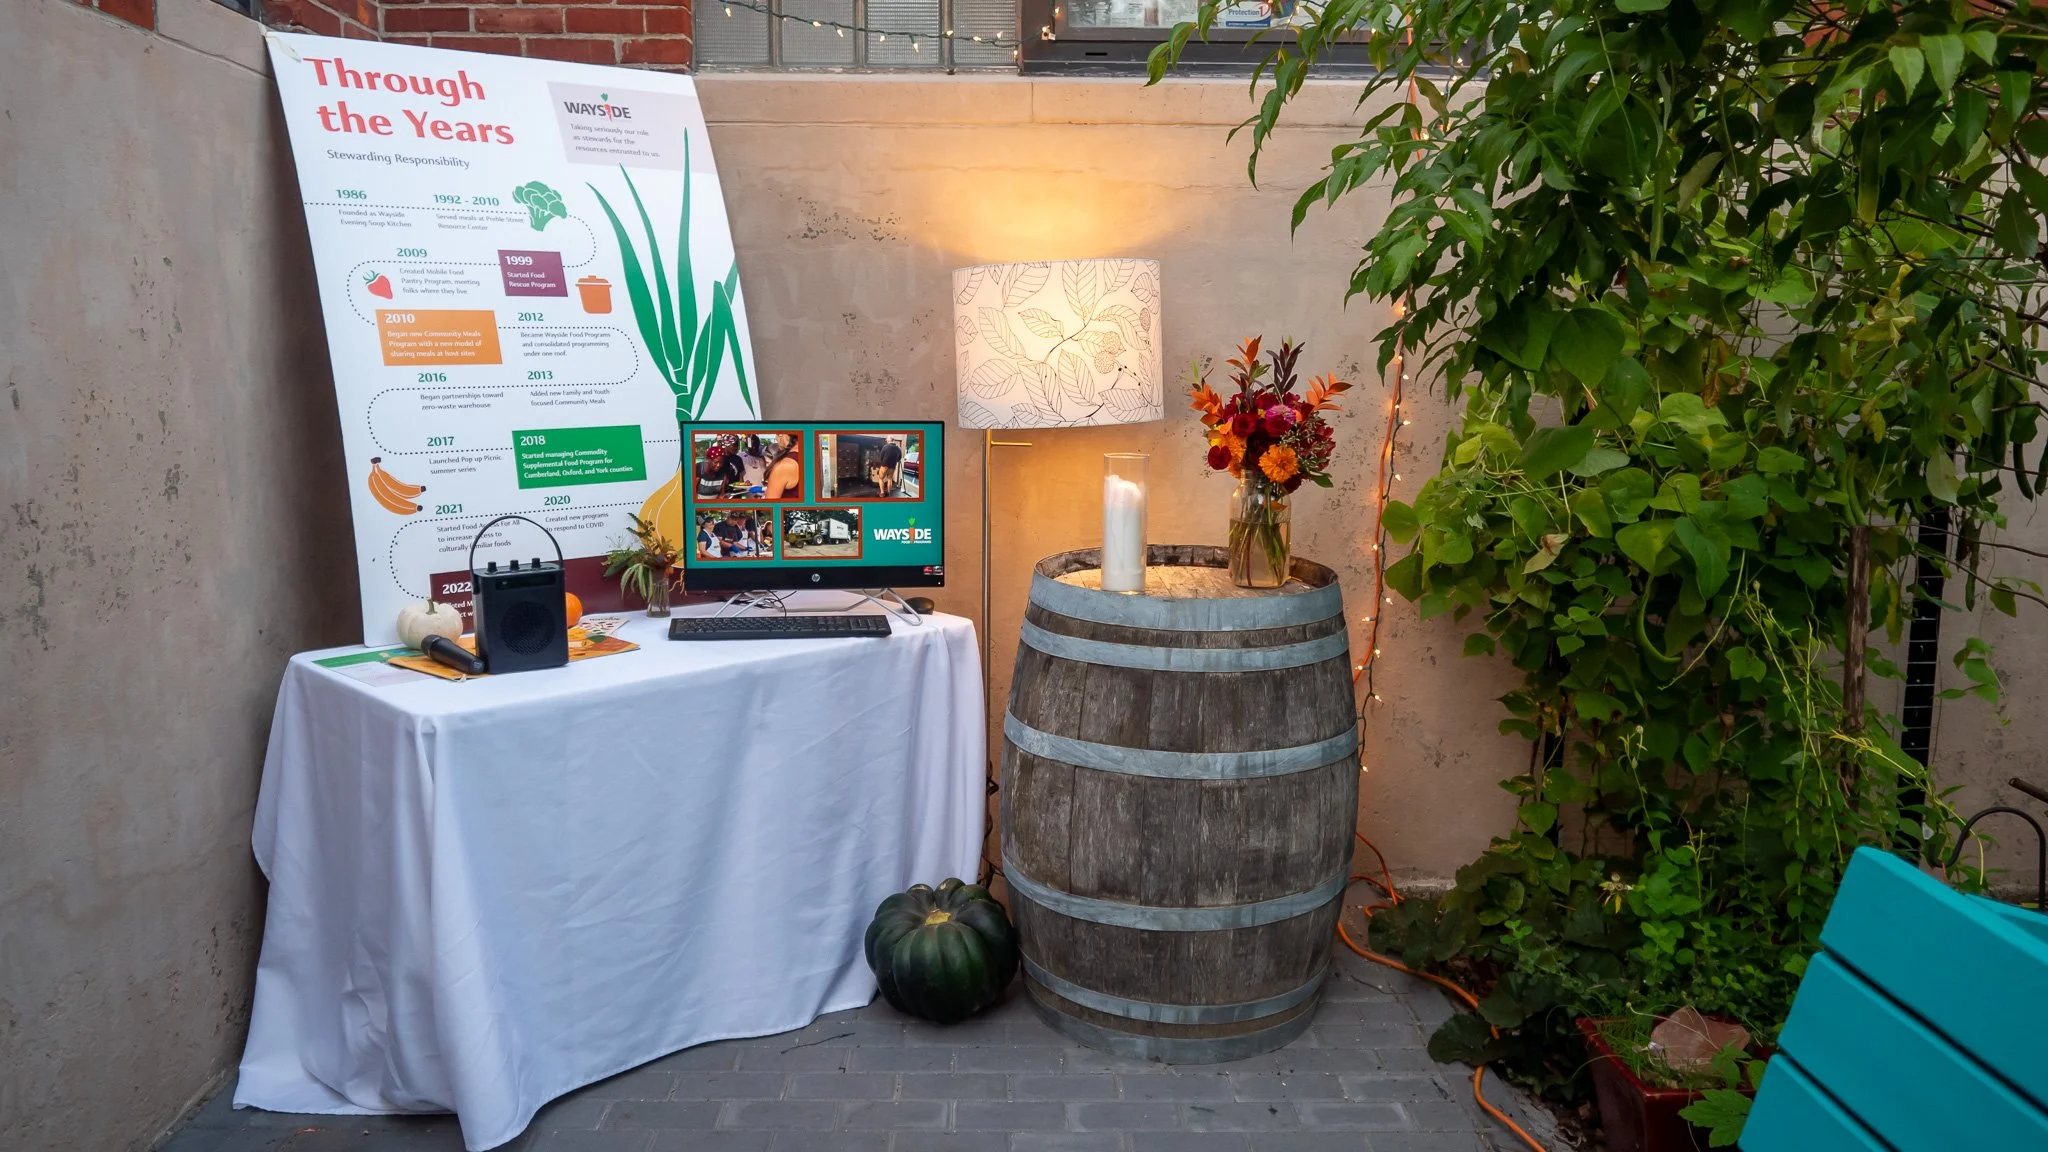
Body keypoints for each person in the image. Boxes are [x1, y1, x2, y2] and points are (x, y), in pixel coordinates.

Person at [763, 433, 803, 500]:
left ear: (780, 434)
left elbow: (770, 506)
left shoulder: (784, 465)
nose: (776, 439)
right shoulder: (812, 456)